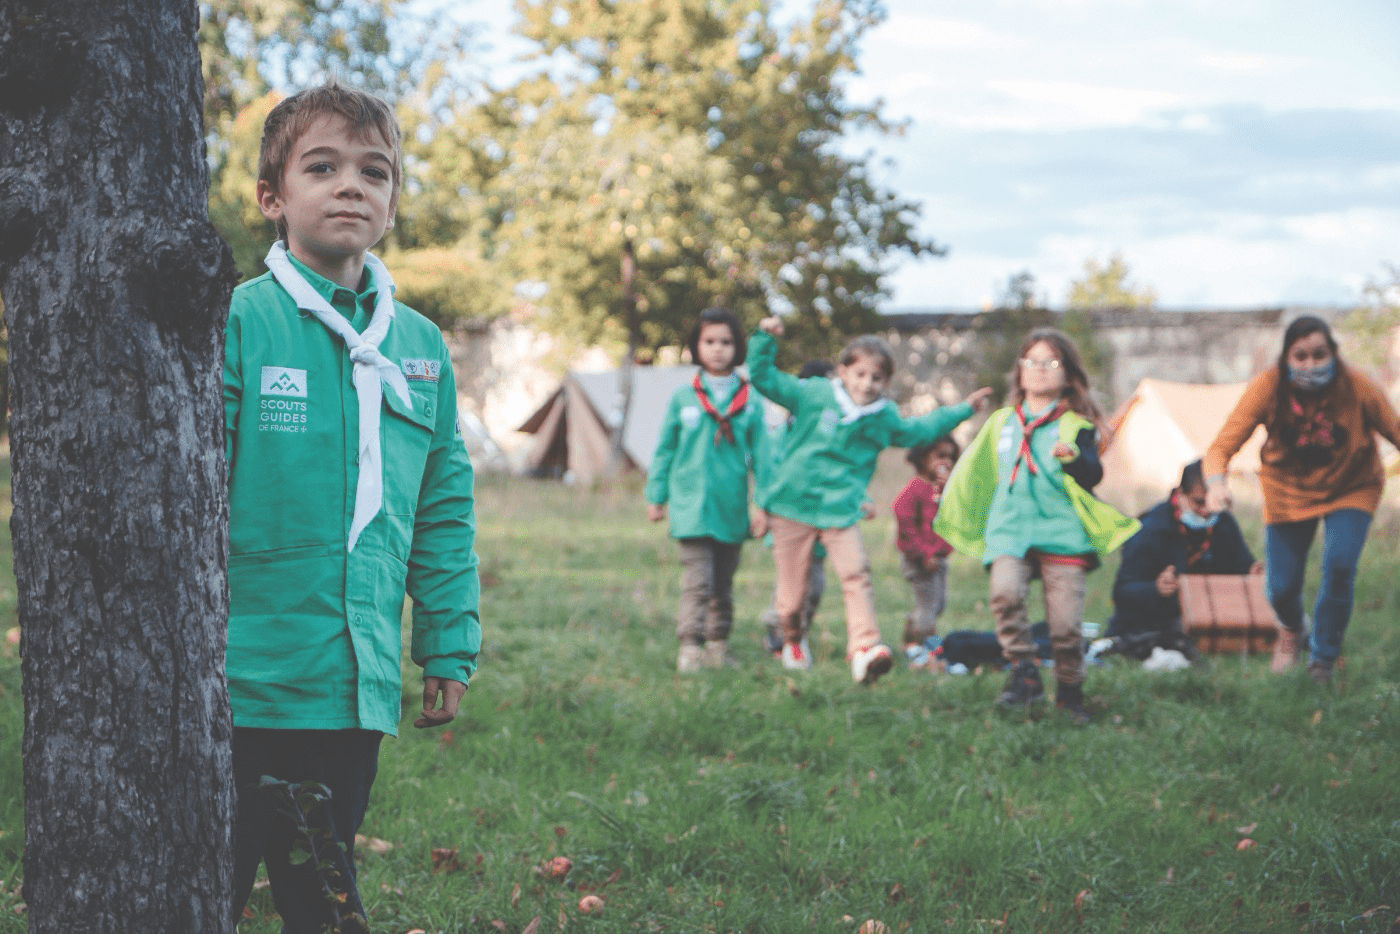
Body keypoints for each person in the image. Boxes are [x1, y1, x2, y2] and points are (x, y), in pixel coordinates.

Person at [223, 84, 481, 932]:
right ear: (273, 197)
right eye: (322, 166)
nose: (350, 187)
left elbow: (442, 506)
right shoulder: (234, 323)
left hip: (351, 692)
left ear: (394, 200)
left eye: (375, 172)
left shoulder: (420, 348)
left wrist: (445, 641)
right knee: (204, 890)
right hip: (239, 683)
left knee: (323, 898)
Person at [749, 315, 991, 684]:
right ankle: (792, 639)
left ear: (886, 382)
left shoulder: (882, 418)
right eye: (860, 374)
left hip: (840, 509)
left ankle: (864, 648)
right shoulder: (813, 394)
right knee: (791, 596)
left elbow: (919, 430)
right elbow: (765, 378)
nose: (867, 384)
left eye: (876, 378)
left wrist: (963, 410)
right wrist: (765, 340)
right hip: (792, 505)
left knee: (856, 573)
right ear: (843, 372)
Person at [935, 328, 1138, 721]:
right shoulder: (1000, 422)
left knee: (1064, 628)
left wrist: (1075, 457)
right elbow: (977, 471)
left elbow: (1092, 473)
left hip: (1062, 534)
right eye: (1032, 362)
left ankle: (1069, 690)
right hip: (1009, 528)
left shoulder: (1076, 424)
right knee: (1005, 595)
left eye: (1052, 363)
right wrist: (957, 505)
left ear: (1067, 373)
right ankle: (1023, 672)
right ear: (1019, 370)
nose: (1040, 370)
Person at [1204, 315, 1400, 683]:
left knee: (1340, 567)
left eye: (1319, 355)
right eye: (1300, 356)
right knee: (1281, 587)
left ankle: (1322, 660)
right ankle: (1292, 629)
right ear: (1286, 358)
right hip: (1287, 493)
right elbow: (1220, 447)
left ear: (1335, 355)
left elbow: (1396, 431)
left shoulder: (1357, 386)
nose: (1310, 365)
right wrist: (1216, 484)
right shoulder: (1268, 386)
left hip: (1352, 487)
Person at [646, 307, 769, 672]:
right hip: (690, 506)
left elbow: (764, 458)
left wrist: (763, 504)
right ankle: (690, 647)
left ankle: (718, 643)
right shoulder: (683, 398)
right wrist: (656, 496)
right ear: (696, 346)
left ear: (738, 348)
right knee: (697, 581)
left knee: (723, 583)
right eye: (709, 341)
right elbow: (665, 449)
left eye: (726, 342)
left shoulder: (751, 400)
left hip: (731, 507)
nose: (718, 349)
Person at [1105, 460, 1260, 661]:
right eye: (1198, 502)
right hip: (1156, 621)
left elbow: (1241, 567)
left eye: (1213, 503)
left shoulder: (1223, 523)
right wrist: (1156, 589)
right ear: (1180, 494)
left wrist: (1253, 572)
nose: (1206, 511)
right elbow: (1122, 592)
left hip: (1213, 616)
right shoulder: (1150, 530)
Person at [759, 360, 836, 658]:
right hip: (787, 521)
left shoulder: (831, 436)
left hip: (820, 523)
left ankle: (796, 631)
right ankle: (779, 634)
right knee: (790, 584)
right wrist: (764, 510)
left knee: (814, 587)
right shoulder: (781, 436)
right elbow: (768, 475)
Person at [893, 436, 959, 668]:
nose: (947, 461)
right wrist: (922, 554)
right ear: (922, 458)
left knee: (938, 604)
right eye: (940, 456)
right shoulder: (916, 488)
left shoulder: (941, 489)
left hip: (938, 558)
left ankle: (910, 641)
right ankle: (929, 651)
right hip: (919, 559)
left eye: (950, 456)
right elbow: (904, 520)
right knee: (928, 608)